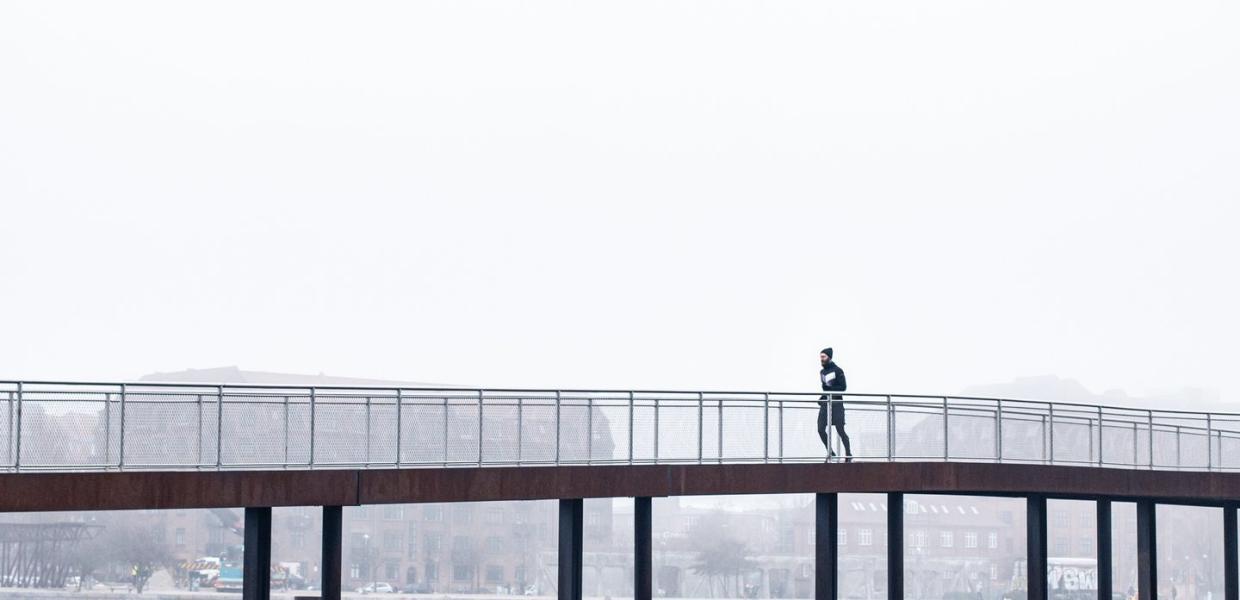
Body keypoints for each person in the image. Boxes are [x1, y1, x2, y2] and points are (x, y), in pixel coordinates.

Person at [818, 347, 852, 462]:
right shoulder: (822, 372)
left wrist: (830, 389)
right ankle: (830, 452)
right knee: (820, 429)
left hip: (837, 403)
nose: (821, 359)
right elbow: (825, 389)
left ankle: (848, 454)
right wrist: (822, 398)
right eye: (820, 357)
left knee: (840, 430)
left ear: (829, 357)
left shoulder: (838, 370)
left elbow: (843, 387)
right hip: (826, 404)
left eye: (823, 357)